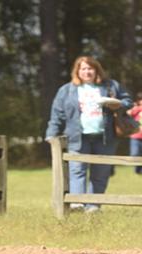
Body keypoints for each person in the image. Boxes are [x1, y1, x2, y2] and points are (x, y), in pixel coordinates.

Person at [45, 56, 130, 212]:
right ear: (77, 71)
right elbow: (57, 114)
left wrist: (117, 104)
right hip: (77, 137)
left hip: (106, 137)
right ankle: (77, 203)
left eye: (90, 68)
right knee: (77, 170)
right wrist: (51, 134)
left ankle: (94, 206)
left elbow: (127, 101)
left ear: (97, 70)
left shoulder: (111, 86)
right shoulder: (67, 90)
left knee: (101, 173)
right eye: (83, 68)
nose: (87, 71)